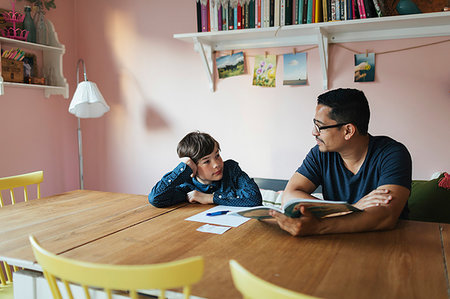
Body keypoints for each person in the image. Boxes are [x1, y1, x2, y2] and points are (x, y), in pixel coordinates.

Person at [270, 88, 412, 236]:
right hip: (336, 240)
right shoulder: (320, 154)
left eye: (320, 126)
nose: (314, 132)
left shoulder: (392, 154)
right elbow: (290, 194)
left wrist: (319, 226)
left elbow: (385, 217)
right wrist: (351, 208)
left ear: (348, 131)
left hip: (388, 244)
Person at [148, 131, 262, 208]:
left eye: (217, 155)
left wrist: (210, 198)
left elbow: (254, 198)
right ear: (192, 166)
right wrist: (182, 169)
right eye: (206, 161)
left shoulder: (231, 170)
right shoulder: (187, 185)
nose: (216, 164)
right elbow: (156, 198)